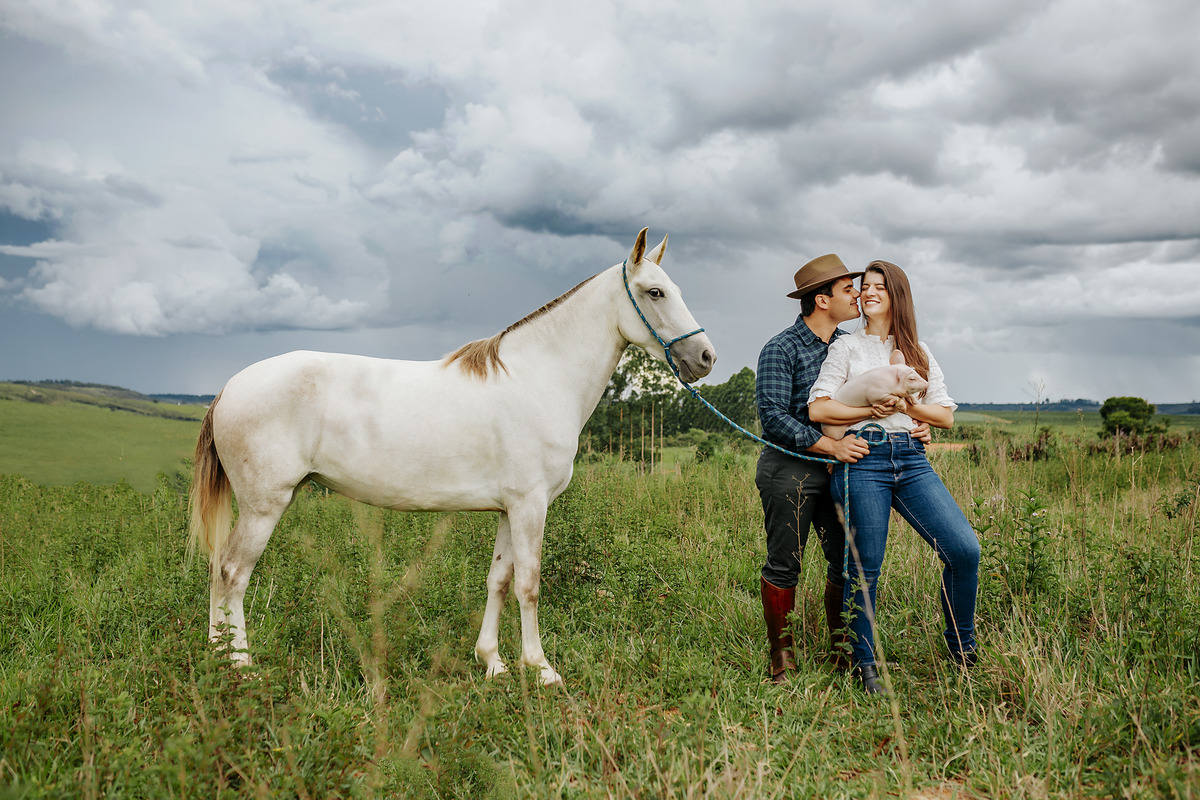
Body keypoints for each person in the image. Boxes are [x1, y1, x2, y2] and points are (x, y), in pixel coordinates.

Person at [755, 254, 930, 684]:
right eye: (849, 290)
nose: (858, 296)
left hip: (843, 467)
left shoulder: (848, 345)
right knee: (785, 563)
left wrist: (915, 425)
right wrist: (829, 445)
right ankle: (782, 658)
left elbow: (881, 397)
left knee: (843, 559)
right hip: (791, 468)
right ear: (821, 300)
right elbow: (774, 416)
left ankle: (842, 649)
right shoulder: (782, 348)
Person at [808, 260, 981, 695]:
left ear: (896, 295)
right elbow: (820, 408)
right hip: (863, 457)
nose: (868, 293)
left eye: (878, 287)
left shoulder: (918, 351)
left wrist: (908, 410)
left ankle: (963, 650)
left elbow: (943, 415)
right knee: (865, 568)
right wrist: (870, 413)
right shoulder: (845, 348)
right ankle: (865, 665)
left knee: (963, 550)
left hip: (911, 458)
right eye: (863, 287)